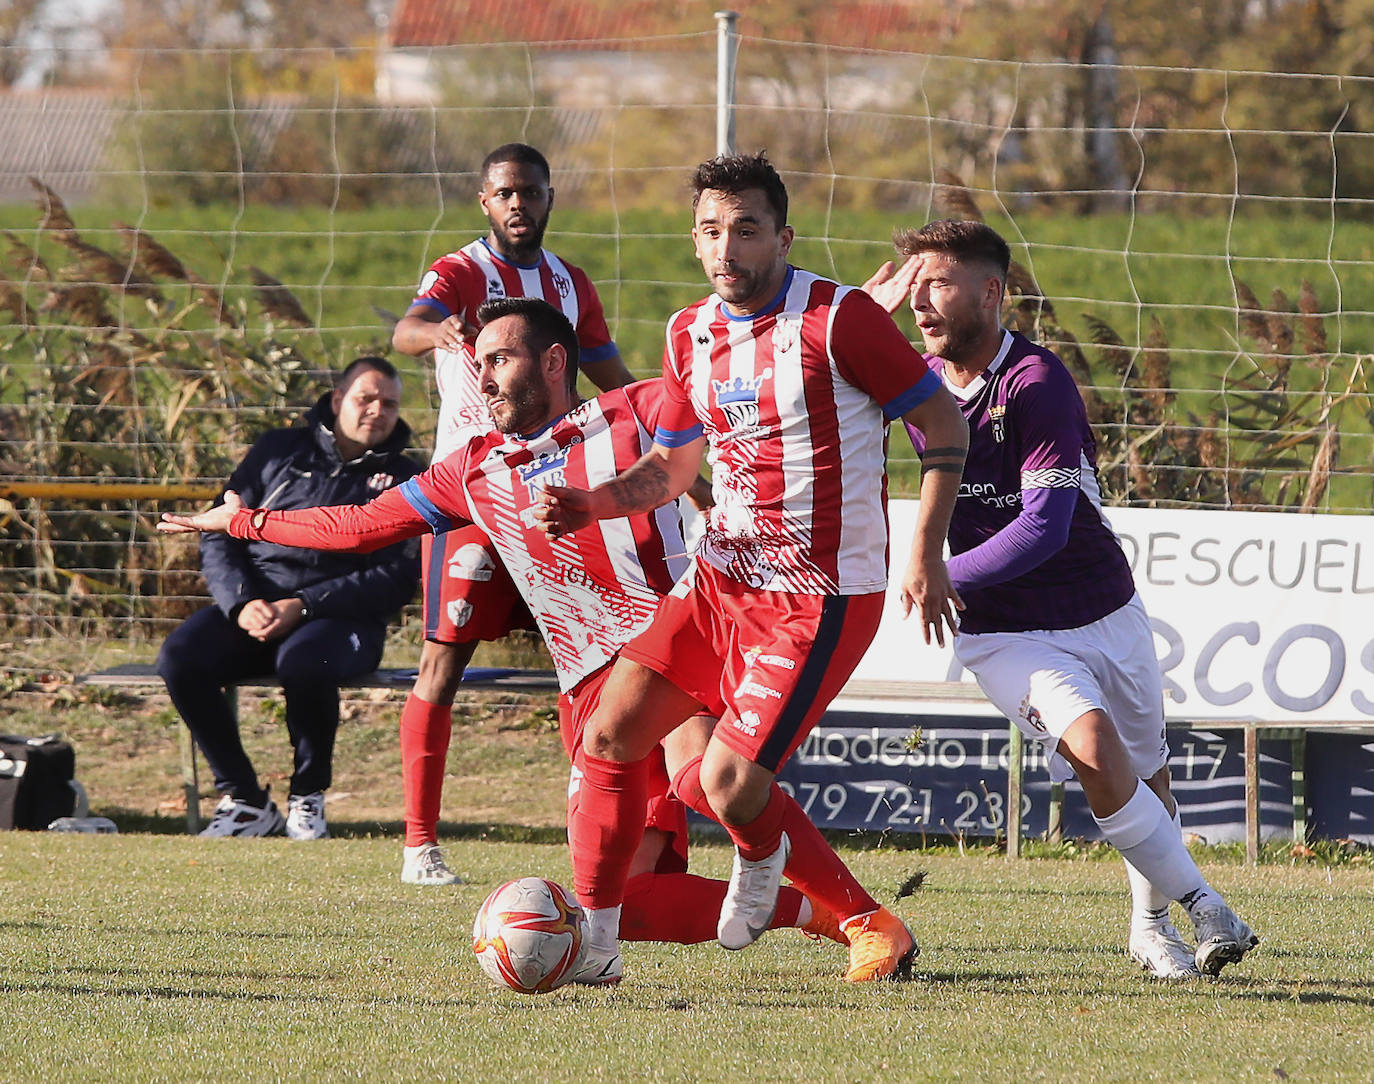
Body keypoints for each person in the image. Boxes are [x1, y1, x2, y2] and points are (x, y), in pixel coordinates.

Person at [159, 298, 850, 980]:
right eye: (477, 362)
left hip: (673, 662)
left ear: (553, 362)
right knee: (626, 904)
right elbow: (361, 525)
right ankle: (821, 917)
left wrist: (814, 343)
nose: (481, 377)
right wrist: (243, 521)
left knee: (708, 782)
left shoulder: (633, 413)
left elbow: (743, 400)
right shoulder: (476, 469)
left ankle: (863, 918)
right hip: (587, 694)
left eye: (498, 359)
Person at [534, 153, 970, 985]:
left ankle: (780, 871)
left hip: (819, 598)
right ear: (694, 240)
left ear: (782, 237)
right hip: (718, 583)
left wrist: (923, 552)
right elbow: (669, 467)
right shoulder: (687, 331)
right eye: (710, 230)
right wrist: (594, 502)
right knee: (612, 735)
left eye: (746, 229)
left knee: (725, 785)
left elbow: (946, 430)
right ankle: (594, 941)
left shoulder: (841, 321)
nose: (726, 247)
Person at [862, 218, 1259, 979]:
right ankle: (1208, 906)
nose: (922, 302)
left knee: (1148, 783)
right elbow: (817, 396)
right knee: (1093, 750)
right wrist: (861, 326)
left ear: (991, 291)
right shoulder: (913, 380)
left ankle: (1150, 929)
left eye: (938, 283)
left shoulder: (1037, 384)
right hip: (1005, 632)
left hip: (1105, 609)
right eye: (914, 287)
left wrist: (943, 575)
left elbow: (1045, 529)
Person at [387, 142, 645, 886]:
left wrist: (661, 424)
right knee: (443, 659)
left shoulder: (570, 281)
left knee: (602, 647)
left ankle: (600, 814)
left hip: (553, 496)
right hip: (474, 497)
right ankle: (419, 844)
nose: (518, 205)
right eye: (504, 193)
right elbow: (407, 328)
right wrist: (436, 333)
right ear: (484, 201)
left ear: (549, 197)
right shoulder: (461, 271)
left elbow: (610, 373)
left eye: (530, 192)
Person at [157, 358, 422, 841]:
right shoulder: (279, 450)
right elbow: (221, 529)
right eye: (366, 398)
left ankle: (308, 796)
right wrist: (240, 603)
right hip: (259, 601)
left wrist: (306, 603)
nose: (377, 411)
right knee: (180, 657)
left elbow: (399, 576)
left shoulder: (408, 476)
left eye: (390, 403)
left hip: (342, 618)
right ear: (339, 398)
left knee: (306, 661)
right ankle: (245, 800)